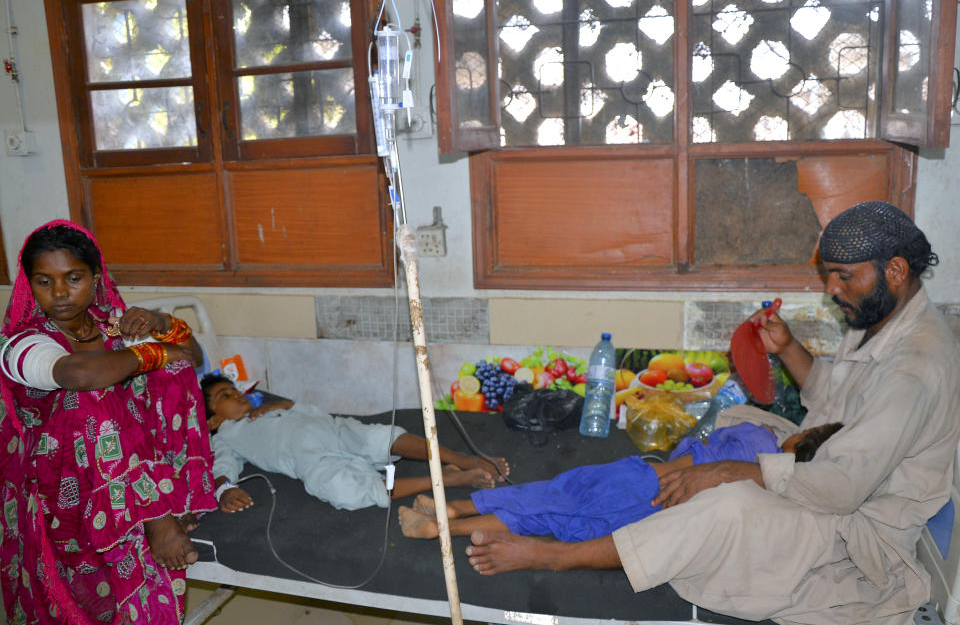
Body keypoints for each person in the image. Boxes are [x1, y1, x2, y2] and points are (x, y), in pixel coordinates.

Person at [463, 201, 960, 625]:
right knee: (742, 419)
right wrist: (788, 349)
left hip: (855, 525)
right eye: (829, 274)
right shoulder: (878, 316)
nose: (832, 288)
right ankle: (656, 488)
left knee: (726, 505)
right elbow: (835, 397)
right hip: (831, 463)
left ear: (895, 270)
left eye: (843, 276)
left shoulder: (914, 371)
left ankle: (557, 556)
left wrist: (727, 474)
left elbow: (842, 487)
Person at [0, 220, 217, 625]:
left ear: (96, 278)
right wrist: (154, 354)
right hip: (59, 484)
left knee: (170, 373)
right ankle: (156, 518)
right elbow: (78, 374)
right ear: (30, 286)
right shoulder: (21, 342)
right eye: (45, 281)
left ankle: (172, 493)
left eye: (74, 278)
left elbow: (191, 358)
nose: (60, 293)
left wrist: (163, 324)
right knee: (91, 396)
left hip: (122, 470)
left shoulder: (110, 325)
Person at [400, 421, 842, 540]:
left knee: (555, 495)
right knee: (560, 521)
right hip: (652, 513)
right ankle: (449, 524)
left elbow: (691, 443)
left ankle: (454, 510)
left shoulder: (756, 434)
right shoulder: (771, 489)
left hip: (642, 476)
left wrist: (691, 451)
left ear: (802, 435)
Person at [200, 374, 510, 512]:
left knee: (381, 436)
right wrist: (226, 489)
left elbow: (312, 412)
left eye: (234, 388)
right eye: (224, 396)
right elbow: (222, 466)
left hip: (335, 431)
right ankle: (450, 478)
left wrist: (282, 405)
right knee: (347, 491)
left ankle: (462, 459)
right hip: (313, 461)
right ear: (212, 420)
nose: (236, 394)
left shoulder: (268, 407)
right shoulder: (227, 436)